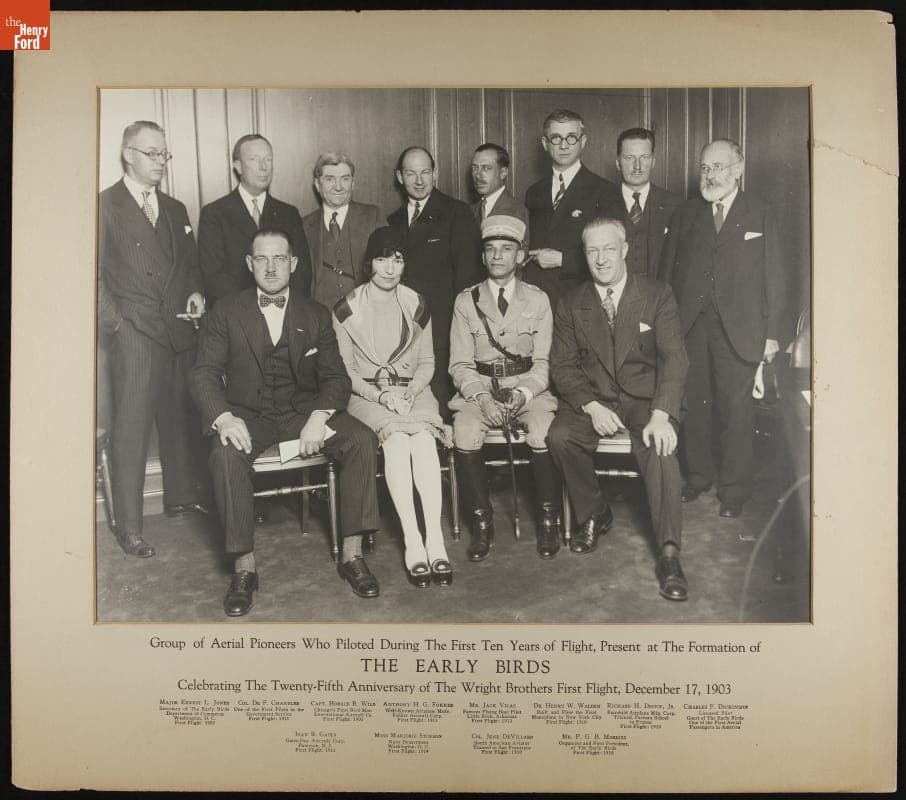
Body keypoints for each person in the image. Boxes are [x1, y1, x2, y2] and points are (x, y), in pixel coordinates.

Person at [190, 228, 381, 616]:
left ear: (293, 264)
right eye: (262, 258)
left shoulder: (315, 314)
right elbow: (202, 374)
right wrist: (224, 418)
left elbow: (337, 379)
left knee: (361, 439)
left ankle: (352, 554)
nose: (271, 267)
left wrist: (318, 417)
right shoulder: (225, 312)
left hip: (302, 414)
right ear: (250, 264)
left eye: (280, 258)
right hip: (248, 417)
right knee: (225, 456)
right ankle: (244, 567)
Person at [548, 217, 689, 601]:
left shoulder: (657, 294)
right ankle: (594, 512)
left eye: (609, 249)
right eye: (592, 250)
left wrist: (662, 414)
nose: (601, 258)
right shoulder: (572, 303)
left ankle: (669, 552)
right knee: (559, 437)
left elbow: (675, 358)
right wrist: (591, 405)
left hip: (646, 401)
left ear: (625, 250)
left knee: (661, 447)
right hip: (596, 398)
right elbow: (562, 365)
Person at [97, 120, 209, 558]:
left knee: (179, 418)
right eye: (151, 153)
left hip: (178, 328)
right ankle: (129, 527)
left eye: (165, 154)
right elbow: (89, 276)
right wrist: (118, 326)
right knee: (132, 430)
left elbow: (191, 266)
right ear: (128, 154)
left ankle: (179, 497)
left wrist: (197, 293)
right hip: (135, 334)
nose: (160, 162)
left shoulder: (177, 209)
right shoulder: (104, 206)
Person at [659, 139, 785, 518]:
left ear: (738, 169)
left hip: (742, 329)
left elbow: (775, 277)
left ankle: (734, 490)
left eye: (718, 167)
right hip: (692, 327)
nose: (710, 175)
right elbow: (666, 275)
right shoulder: (685, 214)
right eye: (705, 168)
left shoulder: (760, 213)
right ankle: (698, 476)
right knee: (695, 405)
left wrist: (772, 334)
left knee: (737, 411)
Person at [333, 228, 453, 588]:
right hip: (368, 397)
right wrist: (384, 397)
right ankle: (413, 541)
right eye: (382, 259)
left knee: (424, 443)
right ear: (370, 262)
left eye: (397, 259)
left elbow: (428, 362)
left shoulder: (417, 303)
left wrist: (412, 390)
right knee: (399, 442)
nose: (389, 268)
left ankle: (436, 540)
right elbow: (346, 372)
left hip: (414, 392)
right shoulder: (346, 308)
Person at [449, 215, 561, 561]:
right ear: (483, 257)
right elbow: (459, 364)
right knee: (464, 432)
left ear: (520, 255)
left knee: (543, 432)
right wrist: (482, 398)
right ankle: (482, 524)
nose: (498, 256)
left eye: (506, 249)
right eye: (491, 249)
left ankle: (547, 519)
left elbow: (543, 363)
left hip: (527, 387)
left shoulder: (538, 300)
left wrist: (523, 393)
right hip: (479, 387)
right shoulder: (466, 301)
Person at [387, 146, 483, 418]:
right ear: (399, 177)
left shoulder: (457, 213)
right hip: (404, 329)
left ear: (435, 173)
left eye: (425, 172)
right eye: (411, 173)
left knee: (442, 402)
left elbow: (468, 280)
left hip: (444, 328)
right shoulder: (392, 220)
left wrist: (460, 329)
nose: (419, 180)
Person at [198, 134, 311, 304]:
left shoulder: (289, 214)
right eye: (254, 159)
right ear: (238, 166)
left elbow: (301, 272)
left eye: (268, 159)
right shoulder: (214, 214)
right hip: (236, 316)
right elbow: (214, 277)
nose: (263, 167)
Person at [523, 109, 615, 303]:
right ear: (545, 144)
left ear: (583, 142)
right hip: (535, 300)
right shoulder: (534, 192)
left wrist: (562, 260)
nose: (564, 145)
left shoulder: (603, 190)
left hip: (580, 299)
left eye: (571, 138)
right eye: (556, 138)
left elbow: (611, 255)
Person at [302, 152, 382, 310]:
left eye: (345, 179)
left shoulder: (373, 217)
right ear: (317, 184)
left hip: (366, 316)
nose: (338, 187)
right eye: (330, 179)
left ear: (353, 183)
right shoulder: (304, 225)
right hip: (320, 320)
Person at [601, 127, 682, 278]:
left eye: (644, 157)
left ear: (653, 162)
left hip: (661, 297)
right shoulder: (601, 203)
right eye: (629, 158)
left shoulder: (675, 205)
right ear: (618, 163)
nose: (637, 166)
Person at [469, 143, 529, 241]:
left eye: (486, 168)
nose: (478, 175)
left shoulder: (517, 211)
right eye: (474, 168)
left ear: (503, 173)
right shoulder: (471, 210)